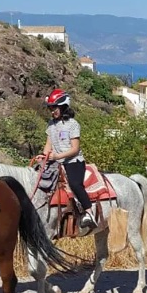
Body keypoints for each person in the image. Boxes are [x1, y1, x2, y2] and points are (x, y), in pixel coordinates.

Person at [42, 88, 96, 229]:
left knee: (75, 183)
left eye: (54, 108)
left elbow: (74, 149)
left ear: (63, 106)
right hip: (56, 161)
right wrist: (44, 156)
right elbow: (48, 146)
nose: (52, 111)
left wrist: (58, 156)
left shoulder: (73, 124)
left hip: (73, 162)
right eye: (50, 108)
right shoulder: (50, 124)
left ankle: (89, 212)